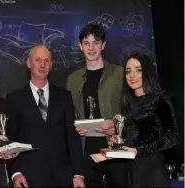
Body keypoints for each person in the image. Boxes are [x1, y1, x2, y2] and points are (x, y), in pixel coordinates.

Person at [6, 45, 84, 187]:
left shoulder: (64, 96)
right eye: (38, 60)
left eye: (46, 61)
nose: (42, 65)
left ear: (51, 64)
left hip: (63, 176)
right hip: (28, 178)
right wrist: (15, 172)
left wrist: (78, 173)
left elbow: (72, 138)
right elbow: (11, 139)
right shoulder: (15, 98)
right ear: (29, 63)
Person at [66, 23, 126, 187]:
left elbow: (133, 110)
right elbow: (69, 115)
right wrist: (75, 127)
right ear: (80, 46)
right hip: (87, 151)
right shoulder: (72, 80)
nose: (91, 48)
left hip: (116, 148)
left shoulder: (120, 74)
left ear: (103, 45)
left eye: (96, 42)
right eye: (86, 43)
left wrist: (118, 126)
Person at [108, 53, 179, 187]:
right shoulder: (127, 104)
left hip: (150, 170)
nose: (132, 75)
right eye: (128, 71)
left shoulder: (160, 100)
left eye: (138, 70)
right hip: (128, 172)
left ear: (147, 72)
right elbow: (133, 134)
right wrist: (117, 141)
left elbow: (173, 136)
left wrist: (140, 151)